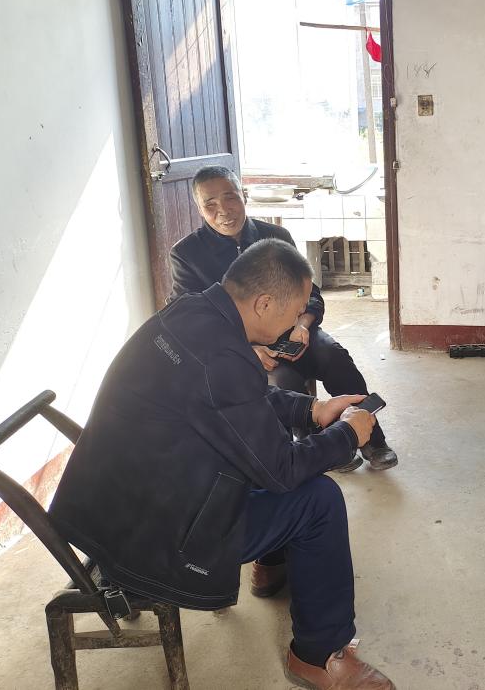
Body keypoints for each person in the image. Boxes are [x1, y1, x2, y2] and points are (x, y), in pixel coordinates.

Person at [50, 240, 395, 689]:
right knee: (318, 500)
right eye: (294, 315)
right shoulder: (222, 358)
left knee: (265, 463)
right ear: (264, 303)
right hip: (153, 538)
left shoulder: (193, 313)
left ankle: (273, 565)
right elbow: (282, 469)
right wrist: (348, 434)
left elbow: (234, 398)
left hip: (114, 510)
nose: (296, 326)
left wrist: (311, 410)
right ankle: (317, 654)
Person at [169, 166, 397, 472]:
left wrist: (303, 324)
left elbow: (310, 291)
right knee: (284, 381)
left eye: (230, 197)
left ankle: (372, 438)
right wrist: (246, 350)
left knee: (335, 357)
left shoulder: (275, 237)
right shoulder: (187, 254)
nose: (223, 210)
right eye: (210, 204)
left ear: (243, 195)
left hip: (294, 331)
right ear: (199, 209)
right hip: (245, 347)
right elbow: (192, 319)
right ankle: (324, 446)